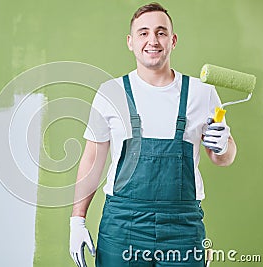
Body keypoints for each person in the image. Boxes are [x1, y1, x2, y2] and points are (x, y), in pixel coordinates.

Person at [69, 2, 237, 267]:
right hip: (122, 226)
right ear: (130, 42)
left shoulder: (202, 93)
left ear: (173, 40)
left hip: (182, 229)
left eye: (161, 32)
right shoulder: (110, 93)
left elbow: (224, 158)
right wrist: (77, 220)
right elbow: (92, 161)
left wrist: (223, 145)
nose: (153, 40)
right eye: (143, 33)